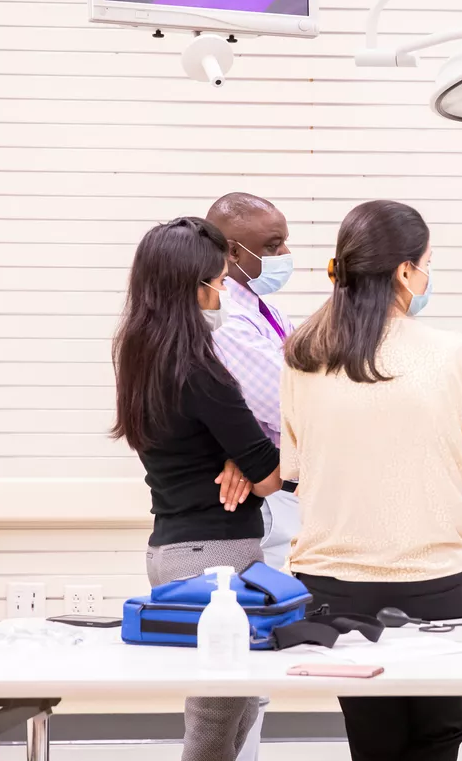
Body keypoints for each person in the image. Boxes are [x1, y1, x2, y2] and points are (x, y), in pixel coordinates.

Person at [282, 200, 462, 761]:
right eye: (427, 263)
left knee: (373, 741)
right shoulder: (451, 352)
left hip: (332, 586)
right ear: (406, 271)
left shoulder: (303, 354)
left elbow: (296, 468)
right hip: (438, 580)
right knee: (437, 738)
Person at [110, 217, 284, 761]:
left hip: (174, 549)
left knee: (232, 711)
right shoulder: (202, 371)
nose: (222, 296)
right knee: (215, 722)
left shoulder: (143, 358)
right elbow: (271, 476)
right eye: (215, 283)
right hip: (216, 556)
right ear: (194, 290)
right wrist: (252, 456)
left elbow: (219, 449)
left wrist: (240, 453)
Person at [204, 192, 298, 761]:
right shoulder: (226, 318)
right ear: (231, 250)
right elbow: (289, 400)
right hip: (248, 503)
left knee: (254, 676)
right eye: (273, 245)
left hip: (271, 489)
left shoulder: (256, 305)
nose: (286, 254)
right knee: (235, 675)